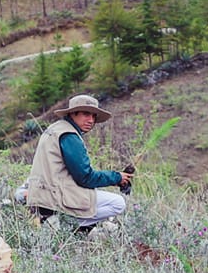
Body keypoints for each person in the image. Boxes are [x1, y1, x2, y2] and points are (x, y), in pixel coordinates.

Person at [17, 93, 131, 228]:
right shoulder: (69, 136)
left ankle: (65, 223)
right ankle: (67, 225)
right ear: (73, 114)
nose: (91, 120)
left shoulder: (55, 128)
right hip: (53, 198)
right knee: (118, 203)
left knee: (101, 201)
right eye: (86, 114)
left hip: (42, 196)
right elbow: (85, 178)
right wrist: (116, 177)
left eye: (94, 116)